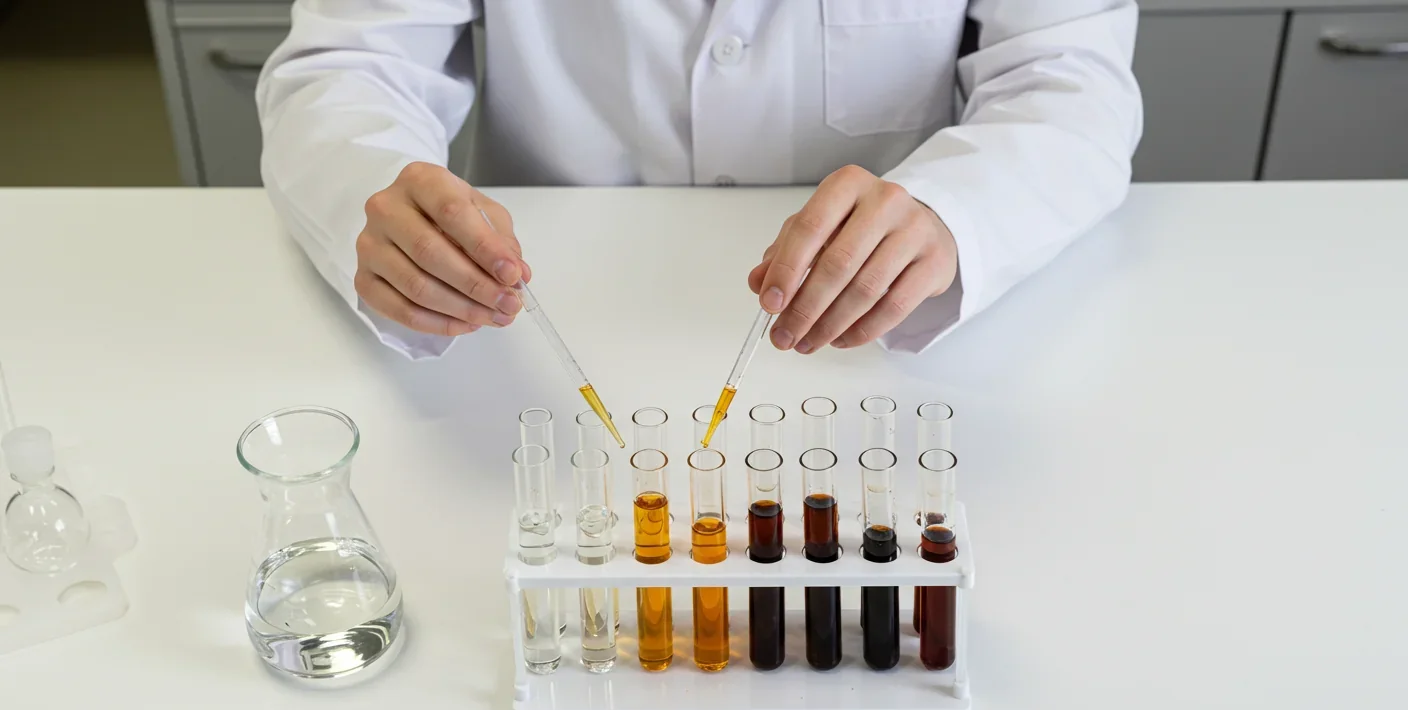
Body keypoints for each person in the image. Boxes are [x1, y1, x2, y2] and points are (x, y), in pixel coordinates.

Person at [257, 0, 1141, 360]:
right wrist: (371, 193)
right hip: (539, 323)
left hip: (876, 350)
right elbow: (348, 66)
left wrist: (958, 213)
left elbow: (1070, 78)